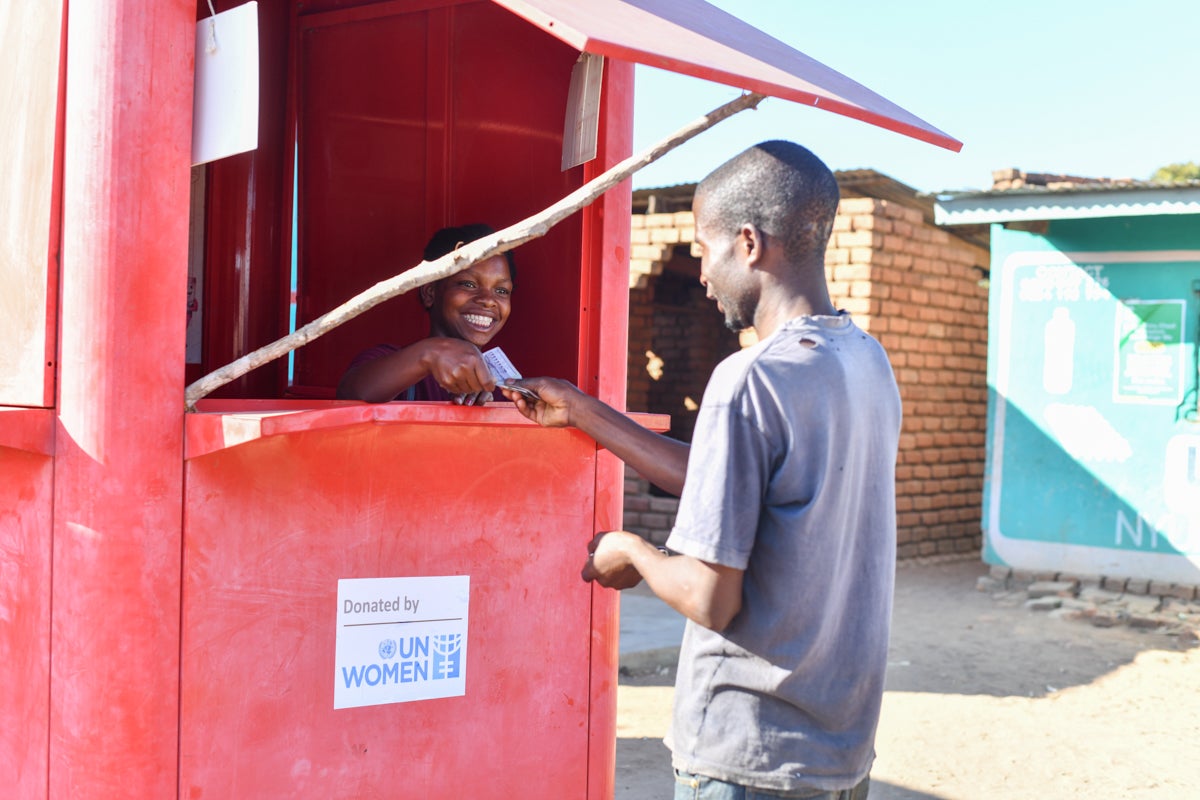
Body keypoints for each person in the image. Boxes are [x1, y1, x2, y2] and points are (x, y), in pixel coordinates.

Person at [502, 141, 900, 799]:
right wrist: (578, 410)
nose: (704, 273)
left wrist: (628, 550)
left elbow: (711, 598)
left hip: (748, 752)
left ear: (748, 244)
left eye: (704, 248)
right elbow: (726, 478)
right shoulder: (864, 361)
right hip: (839, 755)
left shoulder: (750, 379)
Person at [337, 224, 515, 405]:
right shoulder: (387, 361)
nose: (488, 300)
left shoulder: (503, 389)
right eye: (468, 284)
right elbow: (351, 394)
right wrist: (430, 354)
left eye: (501, 290)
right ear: (430, 292)